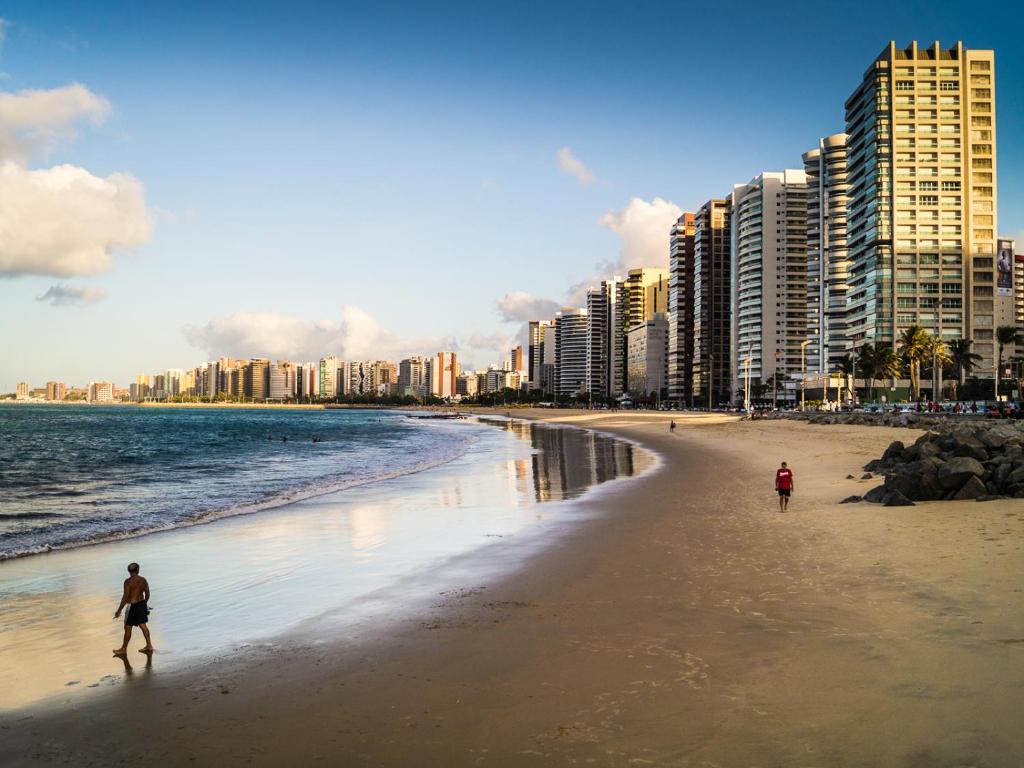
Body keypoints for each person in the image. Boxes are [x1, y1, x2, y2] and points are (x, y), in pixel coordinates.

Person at [113, 562, 153, 655]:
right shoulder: (143, 580)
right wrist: (144, 604)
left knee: (127, 627)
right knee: (143, 625)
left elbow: (125, 597)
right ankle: (149, 645)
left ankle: (123, 649)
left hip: (132, 606)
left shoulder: (127, 582)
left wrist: (119, 610)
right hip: (141, 604)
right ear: (137, 570)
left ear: (129, 571)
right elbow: (147, 593)